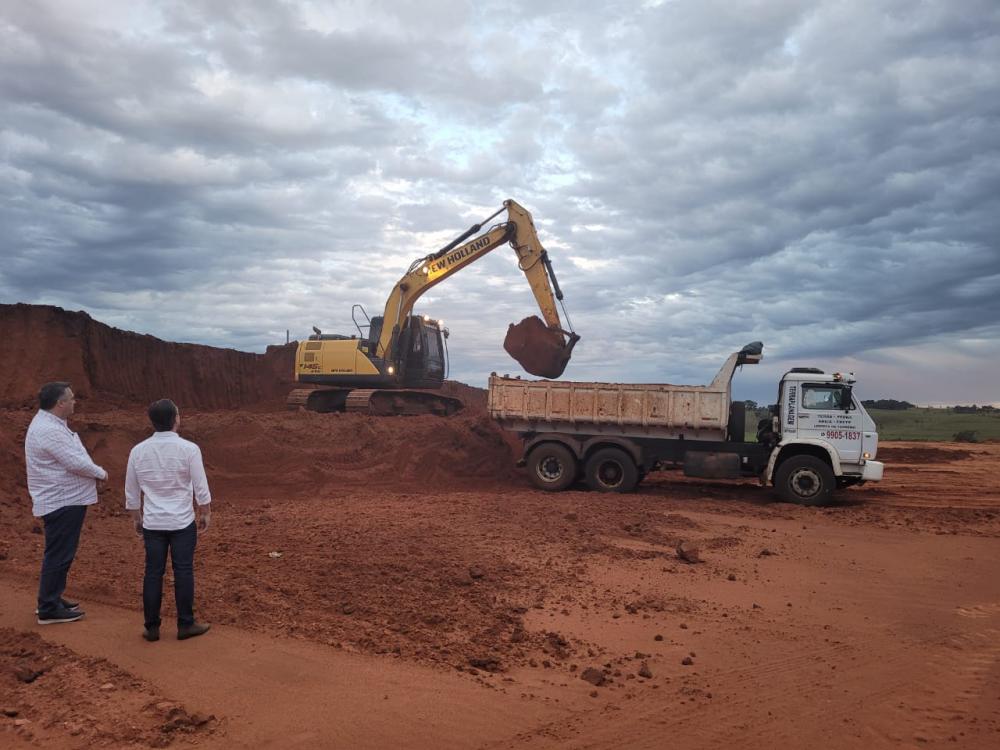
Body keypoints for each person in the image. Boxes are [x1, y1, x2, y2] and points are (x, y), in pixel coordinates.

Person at [125, 399, 212, 642]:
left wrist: (136, 517)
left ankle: (151, 627)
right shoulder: (189, 449)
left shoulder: (138, 451)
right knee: (183, 571)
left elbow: (131, 490)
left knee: (153, 573)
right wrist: (205, 512)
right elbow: (200, 486)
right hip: (182, 522)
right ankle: (186, 623)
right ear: (176, 419)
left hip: (153, 523)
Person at [25, 381, 108, 625]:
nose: (74, 402)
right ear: (60, 403)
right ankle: (49, 607)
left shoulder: (51, 424)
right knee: (59, 553)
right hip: (61, 501)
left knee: (60, 552)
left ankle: (52, 597)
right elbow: (74, 462)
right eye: (71, 398)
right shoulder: (48, 429)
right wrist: (100, 473)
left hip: (63, 499)